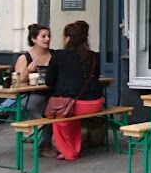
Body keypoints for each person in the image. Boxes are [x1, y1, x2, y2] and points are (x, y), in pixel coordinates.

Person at [44, 21, 103, 161]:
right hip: (96, 103)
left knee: (59, 113)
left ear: (68, 38)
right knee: (70, 113)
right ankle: (75, 148)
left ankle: (68, 152)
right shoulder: (93, 56)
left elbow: (49, 81)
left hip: (76, 105)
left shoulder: (59, 55)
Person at [14, 24, 54, 153]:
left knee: (59, 104)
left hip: (51, 93)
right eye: (43, 36)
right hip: (30, 95)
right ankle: (44, 142)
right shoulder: (25, 58)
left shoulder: (54, 55)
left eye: (48, 36)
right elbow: (17, 82)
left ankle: (39, 133)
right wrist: (28, 71)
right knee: (46, 106)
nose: (47, 39)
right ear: (34, 39)